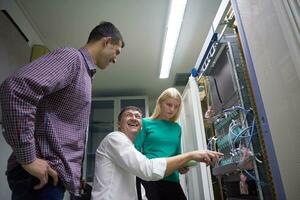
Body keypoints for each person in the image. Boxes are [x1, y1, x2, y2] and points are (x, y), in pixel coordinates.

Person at [0, 21, 125, 200]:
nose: (115, 59)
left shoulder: (86, 76)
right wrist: (29, 159)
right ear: (106, 41)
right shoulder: (72, 58)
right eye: (117, 51)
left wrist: (74, 178)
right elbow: (16, 89)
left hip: (52, 178)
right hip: (39, 177)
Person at [91, 106, 223, 200]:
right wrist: (191, 155)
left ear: (141, 126)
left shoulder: (132, 151)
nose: (134, 118)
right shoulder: (115, 138)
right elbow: (148, 169)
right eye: (129, 115)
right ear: (119, 124)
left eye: (137, 116)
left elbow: (139, 192)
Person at [134, 87, 187, 200]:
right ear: (160, 103)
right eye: (169, 104)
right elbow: (135, 151)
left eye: (176, 106)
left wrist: (183, 166)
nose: (172, 109)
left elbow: (178, 155)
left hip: (172, 179)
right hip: (150, 178)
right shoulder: (145, 123)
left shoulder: (177, 128)